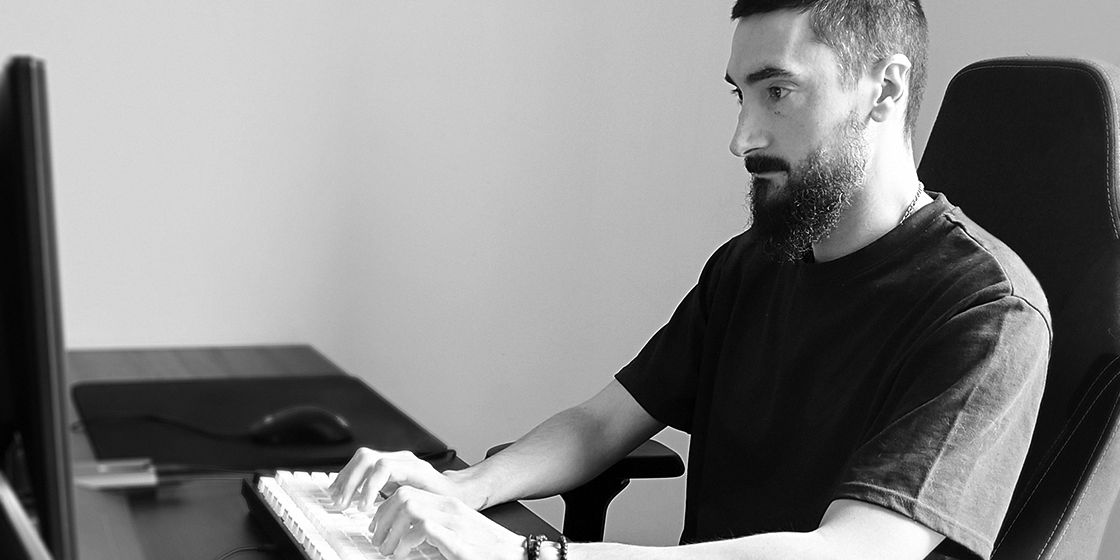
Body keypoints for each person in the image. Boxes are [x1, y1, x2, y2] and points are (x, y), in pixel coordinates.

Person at [329, 1, 1052, 559]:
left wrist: (527, 552)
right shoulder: (753, 265)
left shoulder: (988, 314)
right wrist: (462, 490)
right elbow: (603, 422)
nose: (742, 138)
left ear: (886, 88)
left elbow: (853, 551)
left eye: (779, 93)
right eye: (740, 95)